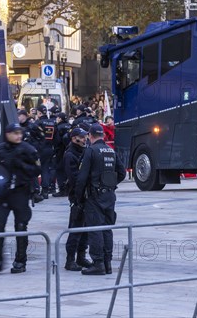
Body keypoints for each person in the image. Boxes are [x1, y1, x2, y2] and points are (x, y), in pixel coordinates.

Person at [0, 123, 41, 274]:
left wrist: (22, 166)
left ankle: (20, 261)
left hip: (21, 192)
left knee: (20, 227)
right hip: (3, 194)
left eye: (20, 133)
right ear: (7, 134)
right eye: (15, 133)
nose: (19, 136)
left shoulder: (28, 149)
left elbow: (37, 170)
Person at [75, 124, 126, 275]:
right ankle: (107, 263)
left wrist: (79, 197)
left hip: (94, 196)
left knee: (95, 229)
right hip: (109, 195)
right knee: (107, 229)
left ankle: (97, 263)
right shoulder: (110, 151)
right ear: (103, 136)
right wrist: (111, 184)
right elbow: (122, 172)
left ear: (90, 136)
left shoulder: (91, 150)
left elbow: (82, 177)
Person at [63, 128, 92, 271]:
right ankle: (70, 260)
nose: (85, 139)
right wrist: (79, 197)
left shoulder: (85, 151)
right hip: (77, 195)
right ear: (74, 138)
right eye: (82, 137)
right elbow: (74, 178)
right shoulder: (70, 154)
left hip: (87, 195)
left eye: (86, 136)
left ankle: (81, 257)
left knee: (85, 228)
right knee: (76, 227)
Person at [18, 109, 44, 203]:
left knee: (33, 172)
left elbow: (42, 137)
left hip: (31, 154)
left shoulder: (32, 126)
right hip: (20, 154)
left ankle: (35, 192)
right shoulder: (17, 127)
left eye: (19, 115)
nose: (18, 118)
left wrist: (37, 148)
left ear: (24, 116)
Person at [35, 105, 58, 199]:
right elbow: (57, 138)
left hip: (40, 149)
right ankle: (47, 189)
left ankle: (42, 190)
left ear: (39, 113)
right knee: (47, 169)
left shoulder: (38, 122)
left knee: (40, 169)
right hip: (50, 148)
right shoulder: (53, 122)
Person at [53, 112, 71, 197]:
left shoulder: (58, 127)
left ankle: (62, 189)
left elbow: (56, 141)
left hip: (60, 151)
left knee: (59, 170)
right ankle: (68, 188)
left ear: (60, 119)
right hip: (70, 150)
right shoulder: (70, 126)